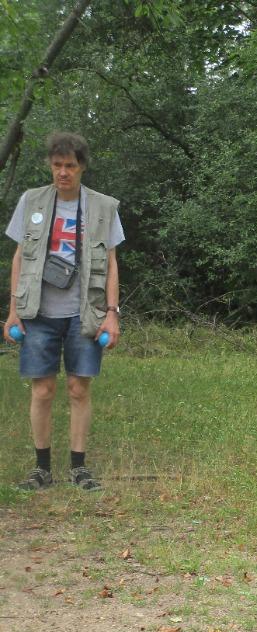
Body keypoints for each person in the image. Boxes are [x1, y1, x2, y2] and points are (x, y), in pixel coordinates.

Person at [3, 132, 124, 492]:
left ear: (82, 167)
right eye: (57, 166)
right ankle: (41, 469)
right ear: (50, 166)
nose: (63, 173)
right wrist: (13, 311)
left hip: (84, 312)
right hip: (38, 312)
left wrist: (112, 313)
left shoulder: (103, 207)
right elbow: (20, 256)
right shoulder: (32, 201)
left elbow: (113, 262)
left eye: (70, 166)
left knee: (77, 387)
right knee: (41, 390)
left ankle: (79, 467)